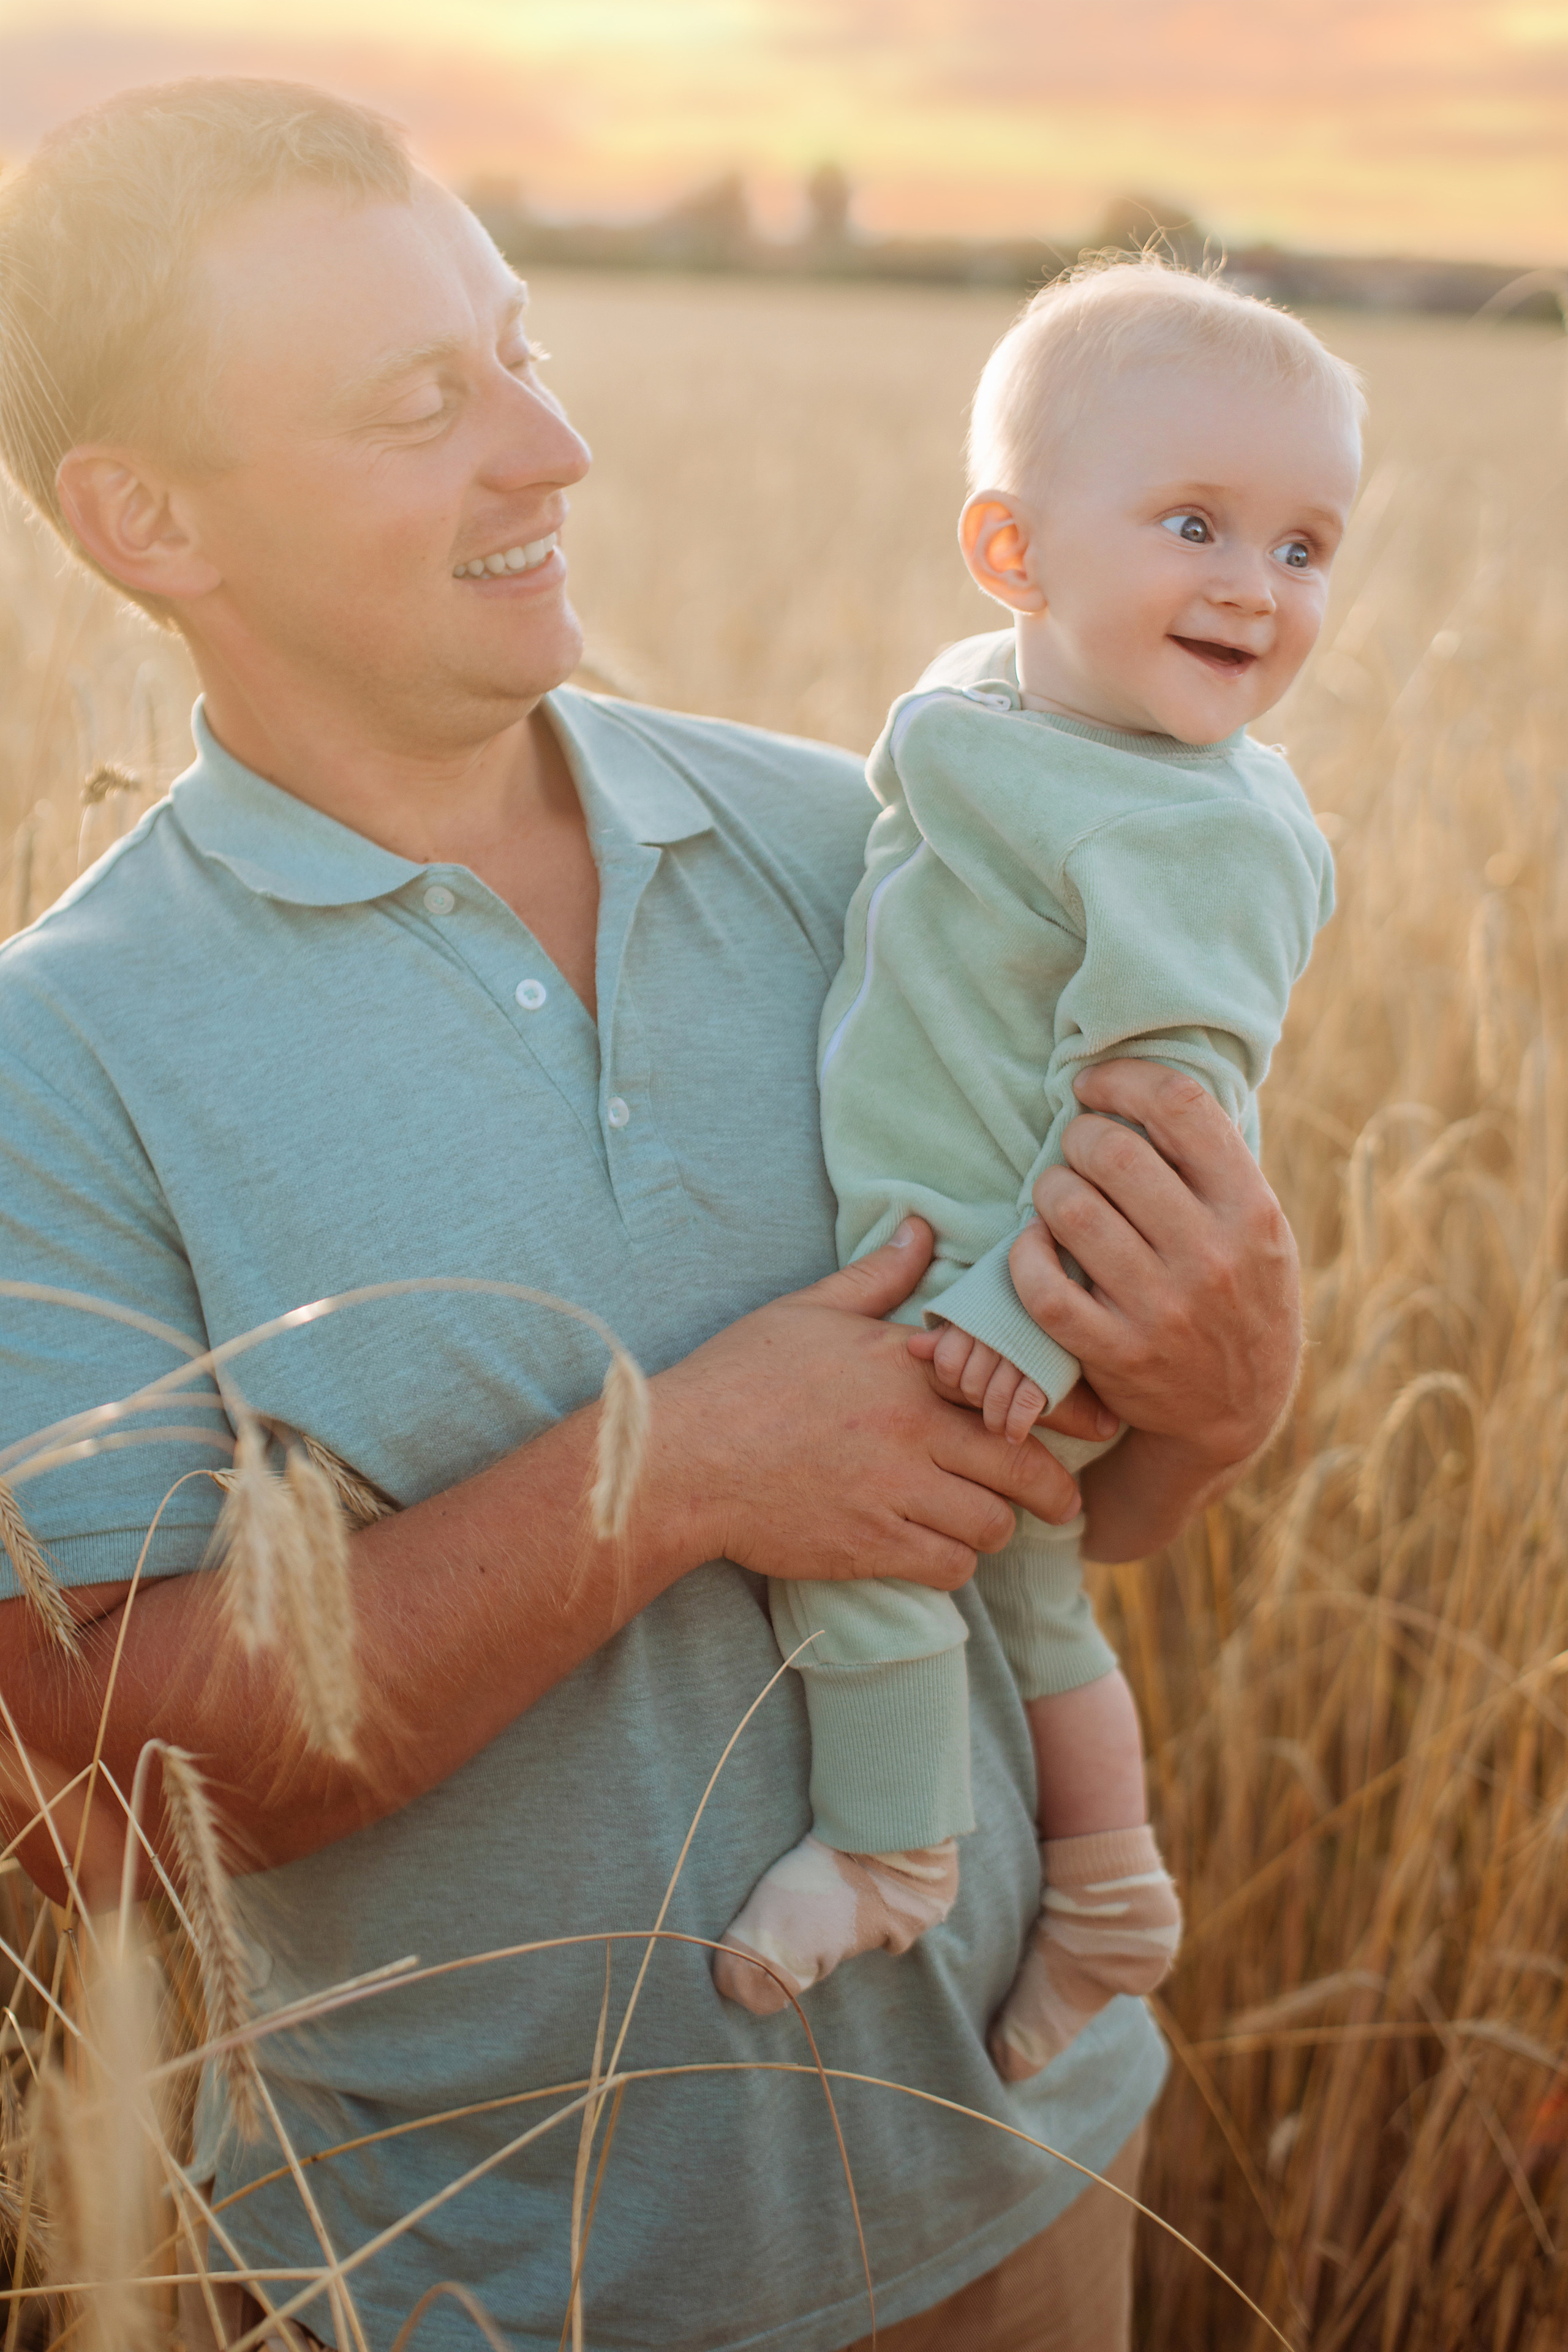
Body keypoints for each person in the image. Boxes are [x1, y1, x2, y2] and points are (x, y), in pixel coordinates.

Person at [0, 81, 1305, 2352]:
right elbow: (88, 1802)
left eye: (521, 347)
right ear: (146, 516)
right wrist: (674, 1471)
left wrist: (1225, 1392)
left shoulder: (866, 845)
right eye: (424, 402)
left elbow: (1074, 1501)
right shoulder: (61, 1057)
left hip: (1033, 2190)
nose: (553, 447)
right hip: (495, 2287)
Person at [716, 262, 1357, 2091]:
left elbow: (1168, 1124)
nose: (1255, 586)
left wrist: (1017, 1316)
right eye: (1195, 525)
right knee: (1032, 1596)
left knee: (861, 1549)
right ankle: (1111, 1890)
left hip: (1013, 1295)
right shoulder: (1011, 713)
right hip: (973, 1269)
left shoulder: (1192, 829)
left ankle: (890, 1852)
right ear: (1012, 556)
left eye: (1305, 547)